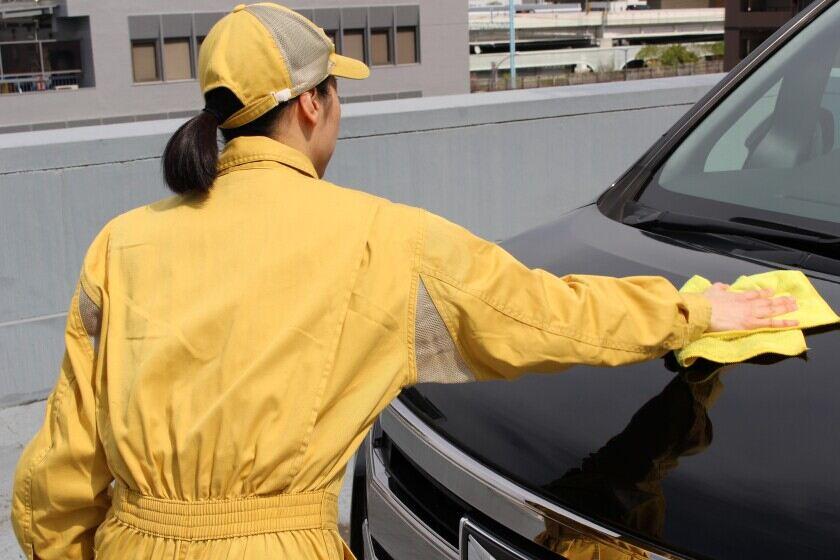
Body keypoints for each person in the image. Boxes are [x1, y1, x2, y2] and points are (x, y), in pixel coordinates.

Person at [10, 4, 798, 560]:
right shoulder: (384, 241)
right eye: (336, 92)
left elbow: (59, 477)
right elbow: (546, 315)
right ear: (311, 106)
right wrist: (697, 311)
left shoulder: (121, 243)